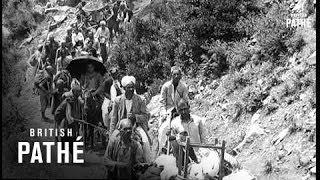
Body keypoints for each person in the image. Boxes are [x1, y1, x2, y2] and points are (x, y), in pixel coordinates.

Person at [110, 75, 151, 162]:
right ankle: (110, 166)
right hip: (121, 127)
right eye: (129, 87)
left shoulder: (140, 99)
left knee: (146, 142)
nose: (131, 89)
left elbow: (146, 116)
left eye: (132, 87)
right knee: (112, 142)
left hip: (136, 126)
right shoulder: (118, 100)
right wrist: (111, 132)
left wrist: (135, 117)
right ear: (124, 88)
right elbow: (114, 119)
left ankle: (147, 163)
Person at [169, 99, 203, 164]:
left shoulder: (197, 120)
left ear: (189, 107)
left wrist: (204, 151)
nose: (183, 112)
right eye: (181, 110)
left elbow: (203, 138)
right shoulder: (174, 123)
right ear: (177, 110)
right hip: (185, 159)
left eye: (185, 109)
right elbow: (174, 143)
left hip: (200, 155)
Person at [54, 79, 83, 153]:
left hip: (69, 123)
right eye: (79, 92)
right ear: (74, 92)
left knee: (71, 141)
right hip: (65, 123)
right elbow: (69, 117)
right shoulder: (69, 101)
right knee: (67, 141)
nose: (80, 94)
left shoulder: (76, 99)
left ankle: (72, 157)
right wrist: (79, 121)